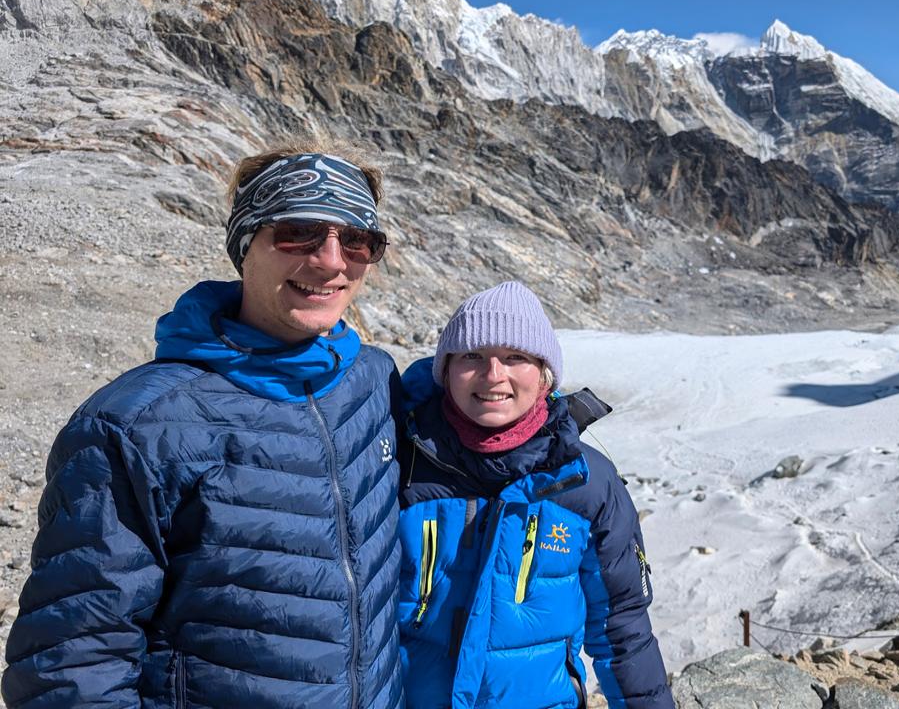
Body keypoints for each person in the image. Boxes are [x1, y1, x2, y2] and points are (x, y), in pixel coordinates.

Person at [2, 143, 408, 709]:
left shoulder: (373, 381)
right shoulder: (138, 424)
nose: (331, 261)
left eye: (358, 240)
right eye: (299, 233)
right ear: (246, 247)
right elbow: (76, 656)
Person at [396, 281, 673, 709]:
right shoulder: (402, 462)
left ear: (544, 375)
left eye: (515, 357)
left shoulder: (587, 484)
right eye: (472, 355)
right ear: (445, 369)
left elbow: (621, 629)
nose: (493, 375)